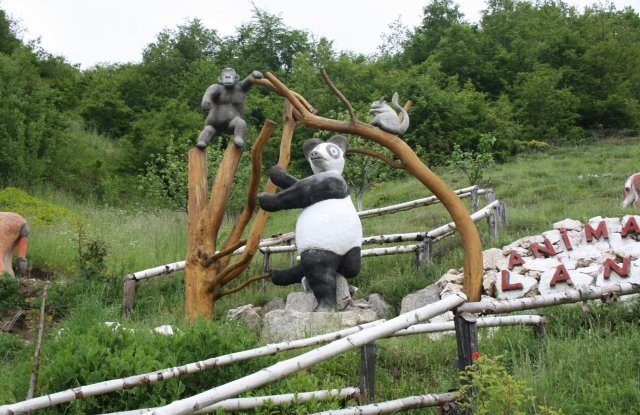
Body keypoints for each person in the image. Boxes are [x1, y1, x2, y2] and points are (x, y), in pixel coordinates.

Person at [0, 212, 29, 276]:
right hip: (18, 221)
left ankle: (1, 276)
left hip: (6, 222)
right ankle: (8, 277)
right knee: (6, 256)